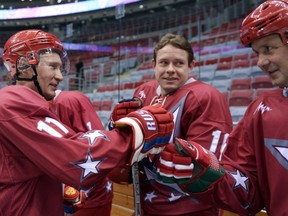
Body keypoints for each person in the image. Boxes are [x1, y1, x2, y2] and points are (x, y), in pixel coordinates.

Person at [0, 29, 174, 216]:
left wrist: (57, 189)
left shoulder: (15, 102)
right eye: (52, 66)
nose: (60, 76)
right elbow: (77, 155)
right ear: (25, 65)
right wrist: (134, 131)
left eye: (60, 68)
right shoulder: (14, 101)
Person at [155, 1, 288, 215]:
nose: (261, 62)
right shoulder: (260, 110)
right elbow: (247, 194)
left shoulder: (205, 97)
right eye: (257, 53)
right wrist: (206, 176)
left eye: (269, 48)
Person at [109, 33, 233, 216]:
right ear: (153, 65)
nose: (170, 69)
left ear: (192, 66)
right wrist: (118, 127)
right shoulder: (144, 91)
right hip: (147, 202)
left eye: (179, 63)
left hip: (190, 208)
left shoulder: (205, 97)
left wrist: (149, 150)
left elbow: (209, 168)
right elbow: (127, 145)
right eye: (164, 62)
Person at [49, 90, 113, 216]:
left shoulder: (68, 101)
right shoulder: (34, 105)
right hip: (61, 194)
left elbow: (96, 148)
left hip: (88, 197)